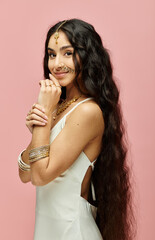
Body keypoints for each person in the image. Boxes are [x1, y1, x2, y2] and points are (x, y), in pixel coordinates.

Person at [18, 19, 135, 240]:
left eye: (67, 53)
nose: (57, 64)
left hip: (72, 233)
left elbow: (40, 176)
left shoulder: (87, 112)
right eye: (52, 55)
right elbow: (25, 173)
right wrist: (42, 125)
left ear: (87, 56)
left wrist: (43, 115)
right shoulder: (60, 108)